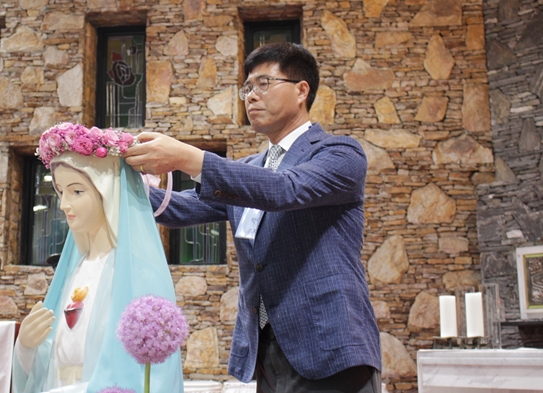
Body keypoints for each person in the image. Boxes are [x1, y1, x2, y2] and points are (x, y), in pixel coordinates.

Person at [124, 43, 382, 393]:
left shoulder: (339, 153)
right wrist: (111, 183)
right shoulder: (248, 169)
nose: (251, 96)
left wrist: (188, 158)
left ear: (301, 91)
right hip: (267, 350)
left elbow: (284, 189)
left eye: (264, 83)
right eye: (247, 88)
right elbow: (180, 208)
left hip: (329, 346)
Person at [12, 123, 184, 393]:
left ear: (108, 193)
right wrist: (26, 347)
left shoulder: (139, 274)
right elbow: (57, 356)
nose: (64, 204)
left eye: (77, 191)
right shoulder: (74, 270)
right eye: (60, 191)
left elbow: (153, 373)